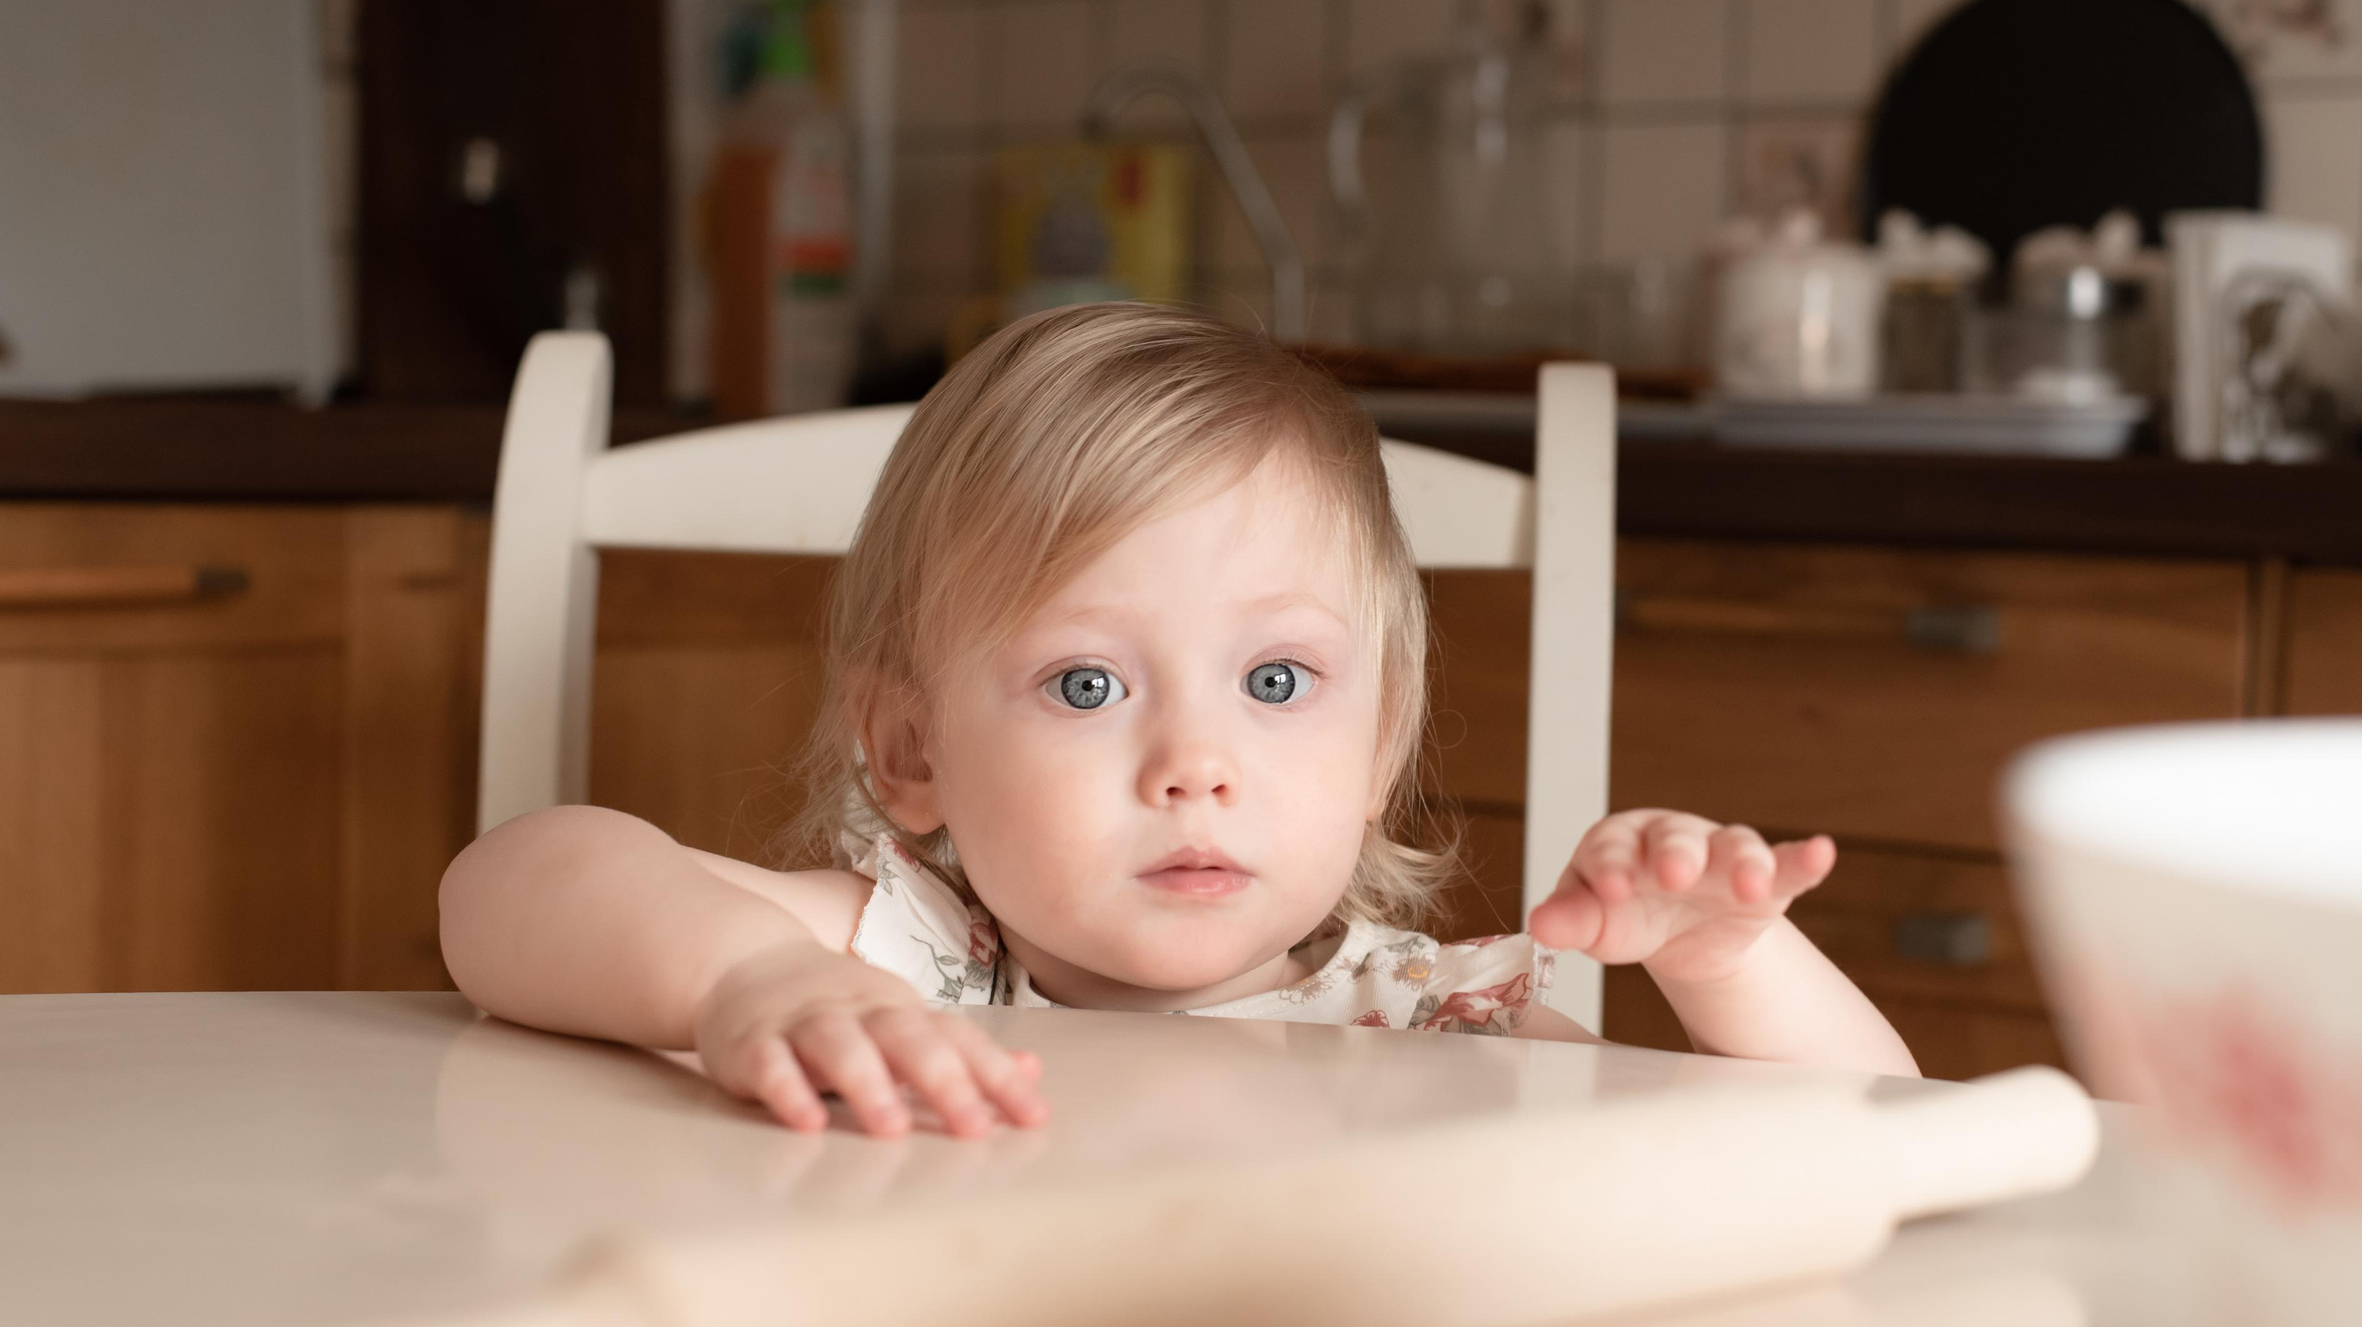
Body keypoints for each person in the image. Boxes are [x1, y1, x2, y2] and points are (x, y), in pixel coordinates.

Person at [440, 305, 1915, 1139]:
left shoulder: (1428, 1023)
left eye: (1277, 683)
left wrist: (1732, 959)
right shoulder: (903, 969)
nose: (1195, 767)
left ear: (1382, 738)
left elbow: (1864, 1136)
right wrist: (745, 985)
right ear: (912, 751)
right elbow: (505, 888)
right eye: (1088, 684)